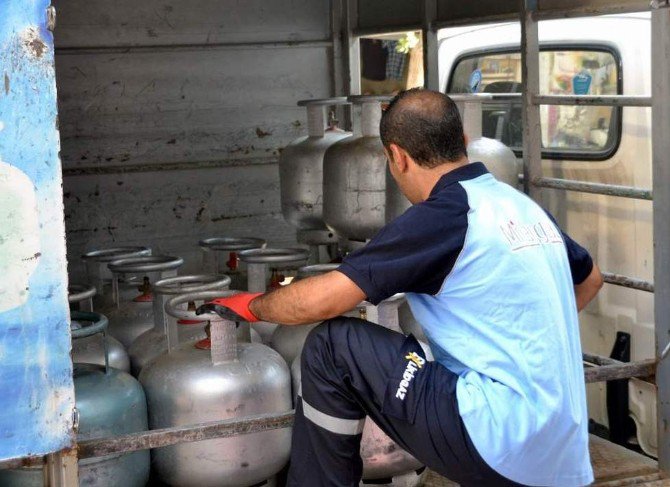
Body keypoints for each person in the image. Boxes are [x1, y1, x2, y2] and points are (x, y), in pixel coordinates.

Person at [198, 88, 603, 487]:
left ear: (397, 157)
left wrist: (252, 304)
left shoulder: (444, 215)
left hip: (498, 440)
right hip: (562, 452)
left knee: (334, 346)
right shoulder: (522, 208)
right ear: (463, 142)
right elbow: (591, 279)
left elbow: (322, 300)